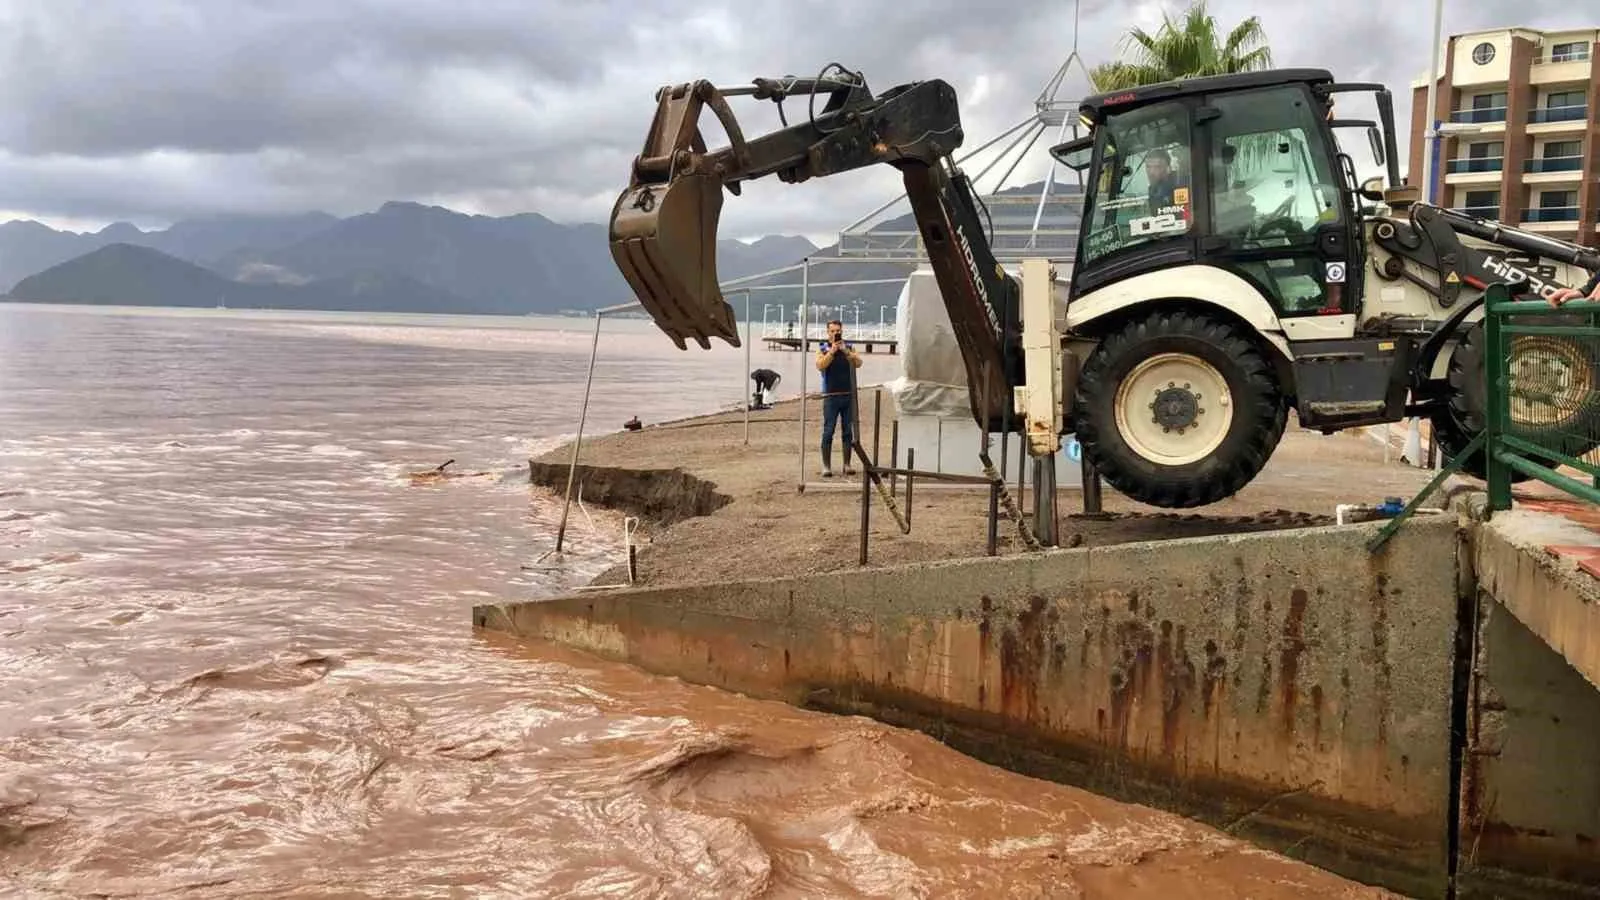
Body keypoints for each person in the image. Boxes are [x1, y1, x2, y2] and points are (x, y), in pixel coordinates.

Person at [815, 318, 862, 477]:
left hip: (848, 395)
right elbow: (820, 365)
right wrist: (832, 352)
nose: (836, 333)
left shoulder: (848, 347)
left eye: (838, 331)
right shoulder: (822, 348)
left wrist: (845, 351)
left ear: (842, 331)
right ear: (828, 332)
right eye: (833, 331)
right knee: (828, 431)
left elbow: (858, 362)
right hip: (830, 396)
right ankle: (826, 466)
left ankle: (847, 464)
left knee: (847, 430)